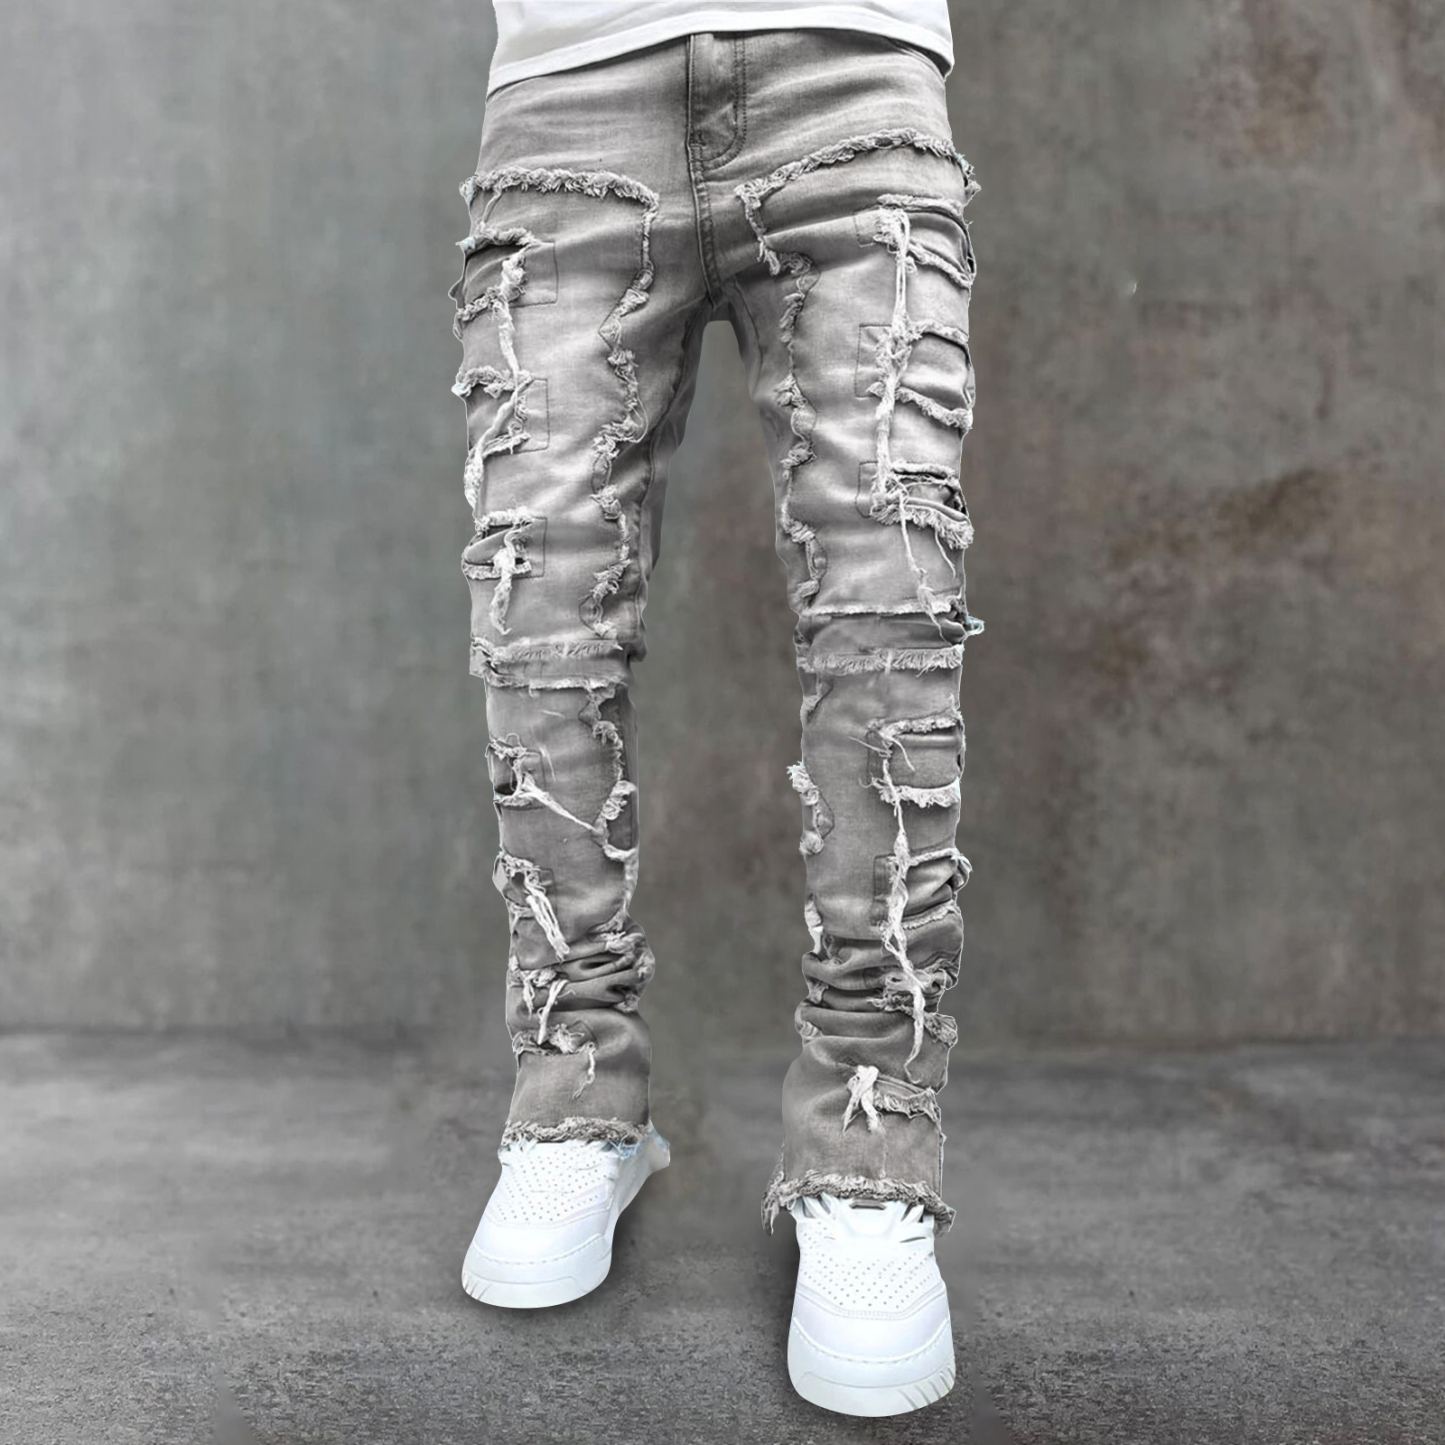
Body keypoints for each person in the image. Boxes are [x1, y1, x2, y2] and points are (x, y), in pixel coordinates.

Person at [447, 1, 980, 1419]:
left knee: (889, 614)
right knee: (540, 613)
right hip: (570, 84)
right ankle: (575, 1092)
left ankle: (869, 1148)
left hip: (850, 67)